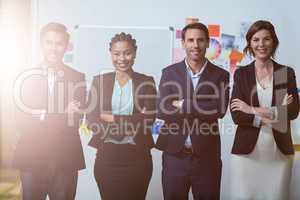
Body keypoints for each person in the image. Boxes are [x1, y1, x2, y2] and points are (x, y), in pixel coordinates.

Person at [156, 22, 230, 200]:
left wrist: (182, 104)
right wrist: (203, 108)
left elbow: (219, 110)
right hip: (174, 155)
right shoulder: (169, 73)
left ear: (207, 43)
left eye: (200, 40)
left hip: (207, 157)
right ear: (183, 43)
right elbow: (161, 109)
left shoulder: (221, 75)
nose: (195, 45)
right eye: (190, 40)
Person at [13, 22, 86, 200]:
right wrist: (61, 112)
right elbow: (22, 120)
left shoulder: (78, 78)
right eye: (49, 42)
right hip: (32, 158)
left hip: (65, 159)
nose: (54, 48)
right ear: (41, 44)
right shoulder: (25, 76)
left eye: (59, 43)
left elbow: (74, 120)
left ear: (66, 46)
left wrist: (42, 114)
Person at [230, 20, 300, 200]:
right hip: (246, 155)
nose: (261, 44)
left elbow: (292, 113)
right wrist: (276, 112)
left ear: (274, 41)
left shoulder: (285, 73)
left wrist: (252, 109)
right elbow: (237, 115)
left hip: (279, 154)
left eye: (266, 39)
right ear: (250, 43)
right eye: (256, 39)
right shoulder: (242, 73)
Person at [86, 32, 157, 200]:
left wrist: (112, 118)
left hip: (138, 158)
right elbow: (91, 119)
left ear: (135, 53)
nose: (122, 58)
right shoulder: (99, 81)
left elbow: (148, 120)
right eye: (116, 53)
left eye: (127, 53)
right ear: (110, 53)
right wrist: (133, 121)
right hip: (106, 157)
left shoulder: (146, 81)